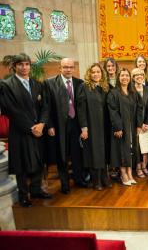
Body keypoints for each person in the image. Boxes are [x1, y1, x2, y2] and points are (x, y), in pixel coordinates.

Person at [0, 53, 52, 207]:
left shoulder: (37, 84)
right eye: (21, 64)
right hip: (20, 130)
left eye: (27, 64)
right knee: (21, 164)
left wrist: (42, 123)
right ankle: (23, 195)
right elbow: (10, 109)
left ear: (30, 66)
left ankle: (36, 189)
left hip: (38, 129)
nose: (24, 67)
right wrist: (31, 128)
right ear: (15, 66)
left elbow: (45, 106)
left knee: (38, 159)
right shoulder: (6, 85)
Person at [44, 58, 87, 195]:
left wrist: (84, 126)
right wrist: (49, 125)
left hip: (76, 124)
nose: (68, 69)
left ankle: (79, 179)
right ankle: (64, 184)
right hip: (58, 125)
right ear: (60, 68)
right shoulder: (50, 83)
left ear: (74, 68)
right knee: (61, 154)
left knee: (77, 154)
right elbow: (46, 106)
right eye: (65, 67)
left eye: (71, 67)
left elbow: (82, 106)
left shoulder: (79, 83)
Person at [77, 63, 111, 191]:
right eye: (93, 72)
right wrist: (84, 127)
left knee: (104, 152)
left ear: (102, 73)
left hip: (104, 126)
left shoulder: (105, 87)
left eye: (98, 72)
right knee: (93, 152)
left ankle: (104, 176)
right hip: (91, 125)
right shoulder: (84, 87)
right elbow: (81, 109)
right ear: (89, 74)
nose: (96, 74)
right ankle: (95, 179)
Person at [107, 68, 143, 186]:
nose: (124, 78)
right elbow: (113, 111)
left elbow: (139, 109)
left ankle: (129, 172)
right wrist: (118, 127)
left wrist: (138, 125)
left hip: (132, 127)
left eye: (127, 75)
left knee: (131, 150)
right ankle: (123, 173)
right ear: (118, 78)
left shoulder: (133, 93)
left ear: (130, 78)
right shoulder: (114, 93)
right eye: (122, 75)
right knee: (121, 150)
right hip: (121, 127)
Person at [131, 68, 148, 178]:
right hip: (134, 124)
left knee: (145, 146)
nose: (139, 76)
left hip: (146, 123)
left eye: (141, 74)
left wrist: (147, 123)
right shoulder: (130, 90)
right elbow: (131, 110)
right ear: (133, 77)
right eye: (136, 75)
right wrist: (138, 125)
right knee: (136, 146)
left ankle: (144, 166)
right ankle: (138, 167)